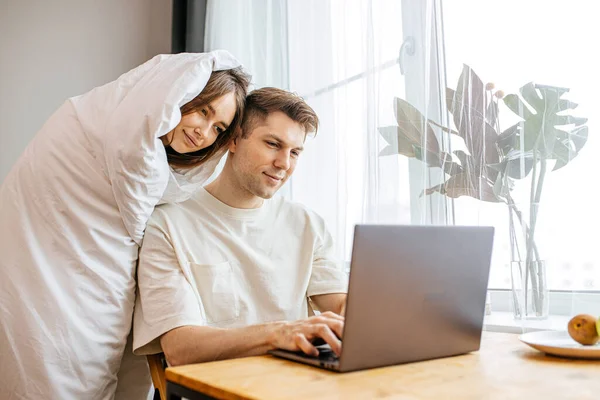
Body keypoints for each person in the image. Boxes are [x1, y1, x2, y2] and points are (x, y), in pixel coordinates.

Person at [0, 50, 251, 399]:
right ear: (178, 93)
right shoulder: (105, 129)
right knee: (49, 360)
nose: (204, 132)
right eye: (204, 110)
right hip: (43, 264)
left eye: (218, 128)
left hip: (91, 277)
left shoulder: (161, 167)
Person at [133, 87, 348, 366]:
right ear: (233, 140)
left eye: (295, 152)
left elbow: (340, 307)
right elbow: (179, 347)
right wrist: (279, 333)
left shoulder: (307, 224)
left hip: (302, 385)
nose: (284, 163)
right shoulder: (168, 223)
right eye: (272, 144)